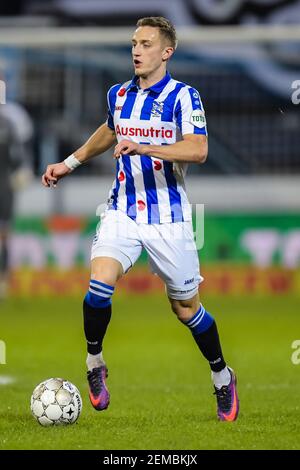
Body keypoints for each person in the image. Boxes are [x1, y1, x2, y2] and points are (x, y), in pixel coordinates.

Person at [42, 16, 239, 422]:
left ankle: (222, 376)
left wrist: (146, 146)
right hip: (122, 210)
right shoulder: (119, 93)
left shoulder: (185, 97)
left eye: (146, 43)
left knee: (186, 309)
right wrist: (69, 162)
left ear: (166, 52)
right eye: (134, 42)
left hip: (169, 218)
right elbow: (111, 130)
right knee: (99, 285)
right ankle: (95, 363)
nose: (136, 50)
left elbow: (198, 150)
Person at [0, 101, 33, 299]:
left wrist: (21, 173)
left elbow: (18, 157)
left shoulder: (8, 123)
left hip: (4, 189)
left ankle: (3, 281)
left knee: (3, 236)